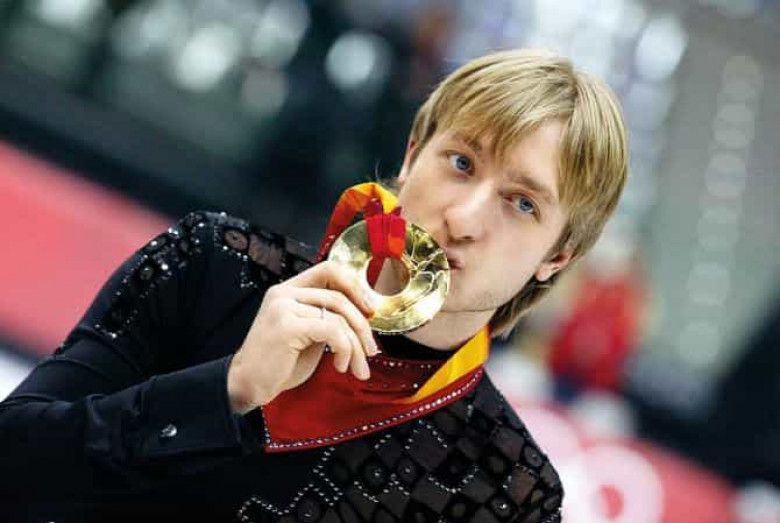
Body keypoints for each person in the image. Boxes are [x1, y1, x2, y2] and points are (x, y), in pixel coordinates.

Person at [0, 49, 627, 522]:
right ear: (412, 157)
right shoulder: (214, 264)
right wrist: (225, 390)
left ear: (557, 258)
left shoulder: (510, 490)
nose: (464, 219)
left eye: (522, 204)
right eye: (461, 163)